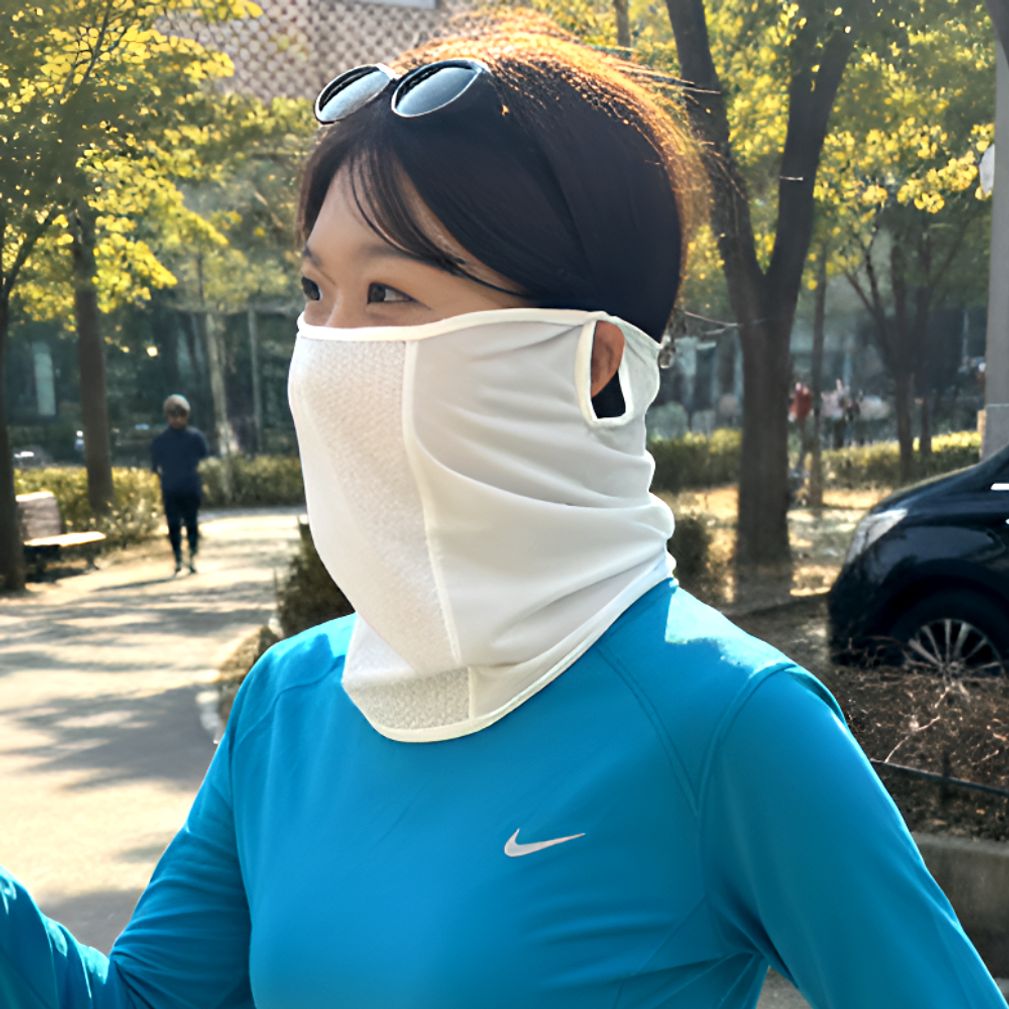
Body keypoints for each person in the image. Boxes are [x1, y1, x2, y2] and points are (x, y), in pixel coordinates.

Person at [2, 17, 1007, 1009]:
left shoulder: (730, 719)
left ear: (592, 360)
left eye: (387, 294)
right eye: (314, 290)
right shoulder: (287, 698)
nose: (330, 349)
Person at [149, 394, 209, 575]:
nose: (176, 419)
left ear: (186, 416)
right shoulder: (160, 441)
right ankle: (177, 558)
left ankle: (192, 555)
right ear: (167, 417)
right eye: (172, 415)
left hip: (190, 487)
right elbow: (155, 466)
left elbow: (205, 460)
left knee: (192, 523)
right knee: (173, 525)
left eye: (180, 415)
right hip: (171, 489)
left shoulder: (196, 437)